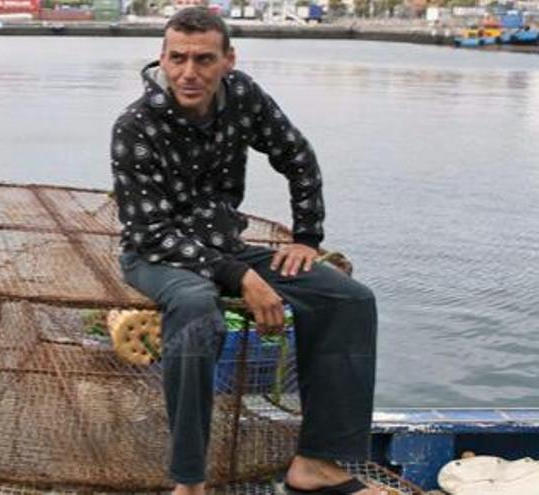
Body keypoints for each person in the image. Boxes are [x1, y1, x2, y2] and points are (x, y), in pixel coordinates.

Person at [111, 7, 385, 495]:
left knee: (349, 300)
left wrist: (307, 239)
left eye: (203, 59)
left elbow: (296, 156)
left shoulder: (244, 98)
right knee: (196, 309)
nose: (188, 73)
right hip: (157, 256)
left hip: (226, 245)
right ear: (162, 58)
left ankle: (315, 464)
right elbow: (149, 229)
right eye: (177, 59)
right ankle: (190, 481)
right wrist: (240, 276)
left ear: (228, 60)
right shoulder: (135, 125)